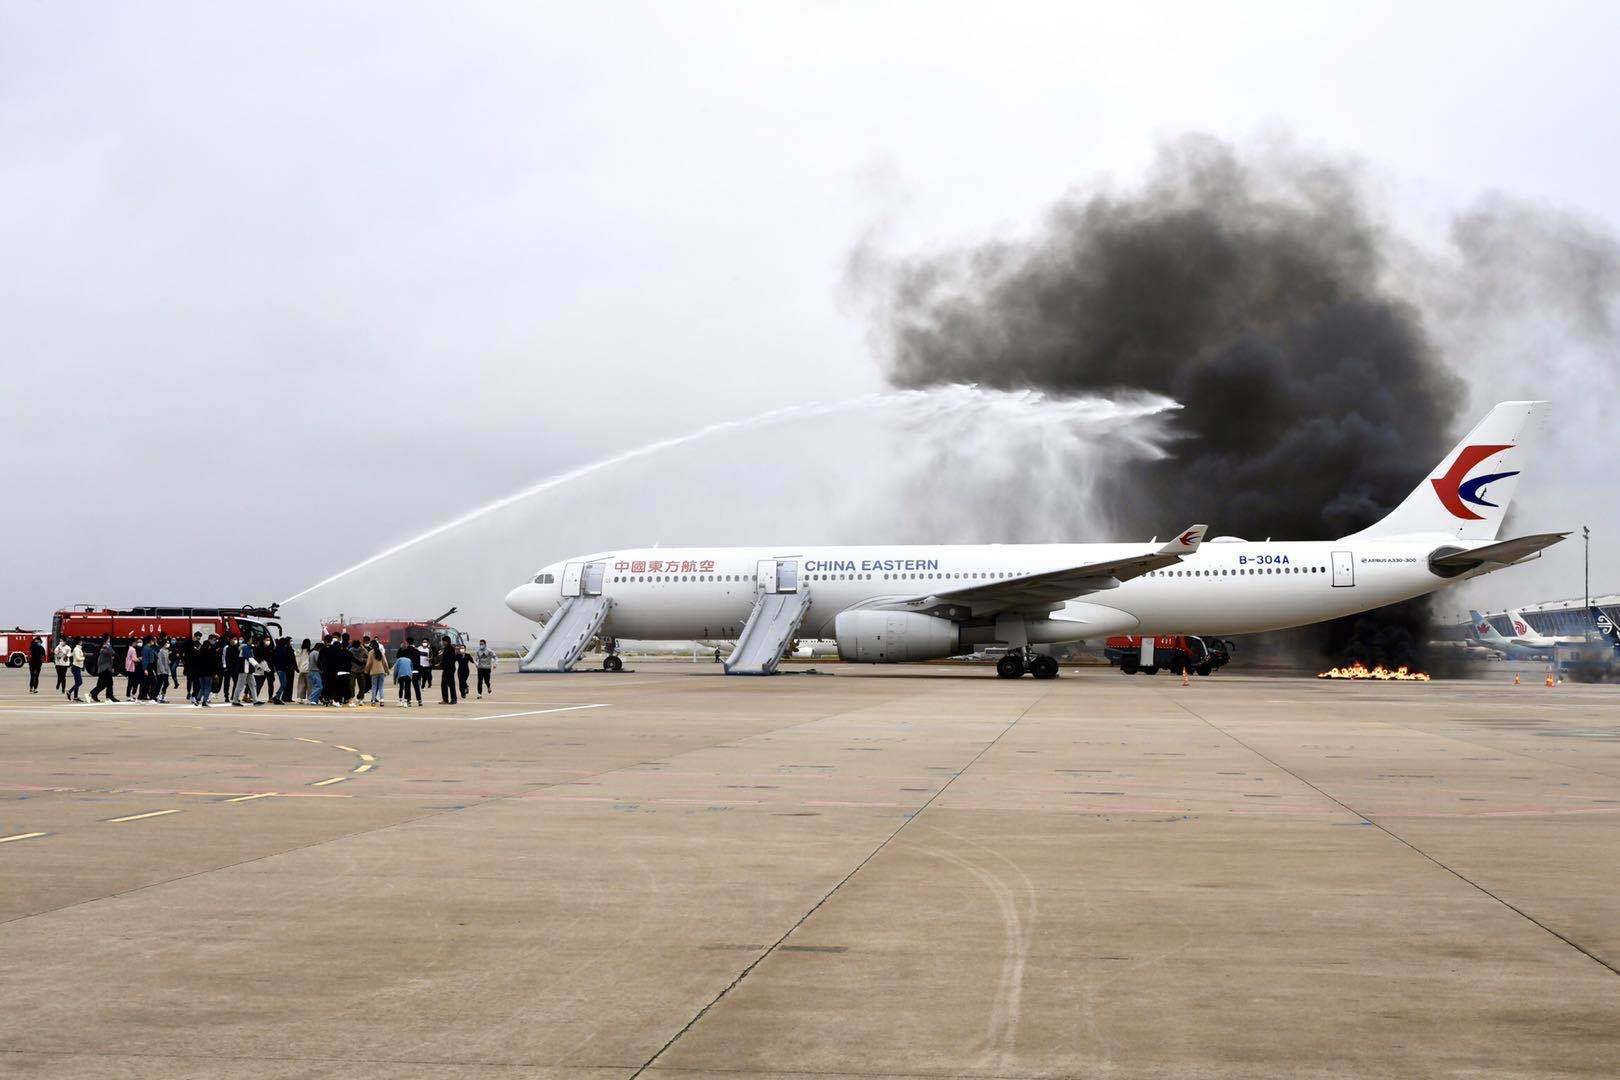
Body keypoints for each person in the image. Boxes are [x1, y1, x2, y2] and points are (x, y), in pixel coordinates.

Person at [91, 636, 119, 702]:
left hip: (106, 668)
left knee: (103, 684)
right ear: (105, 640)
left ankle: (94, 694)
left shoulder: (105, 647)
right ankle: (109, 696)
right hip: (104, 669)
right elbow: (111, 652)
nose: (109, 640)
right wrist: (109, 646)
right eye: (108, 639)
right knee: (108, 683)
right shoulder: (104, 647)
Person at [275, 636, 296, 704]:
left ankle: (277, 696)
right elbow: (287, 659)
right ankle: (277, 697)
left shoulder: (277, 649)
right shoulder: (283, 650)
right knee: (283, 684)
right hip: (282, 669)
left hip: (279, 668)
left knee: (283, 683)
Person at [439, 635, 458, 704]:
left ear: (447, 641)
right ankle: (445, 700)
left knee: (451, 685)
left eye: (443, 641)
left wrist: (446, 666)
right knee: (443, 684)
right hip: (445, 669)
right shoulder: (446, 648)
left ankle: (454, 699)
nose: (443, 642)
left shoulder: (451, 649)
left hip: (450, 669)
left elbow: (452, 660)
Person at [152, 637, 172, 703]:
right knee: (161, 683)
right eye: (167, 643)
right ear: (164, 644)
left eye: (168, 643)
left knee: (163, 684)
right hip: (162, 671)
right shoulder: (161, 651)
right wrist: (163, 671)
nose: (168, 644)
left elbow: (166, 661)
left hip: (166, 671)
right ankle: (157, 696)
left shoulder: (167, 651)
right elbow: (159, 662)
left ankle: (160, 696)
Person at [294, 639, 312, 703]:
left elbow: (298, 661)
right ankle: (309, 698)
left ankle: (300, 698)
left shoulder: (300, 652)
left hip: (301, 670)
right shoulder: (310, 652)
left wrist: (298, 668)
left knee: (301, 685)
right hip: (308, 670)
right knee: (309, 685)